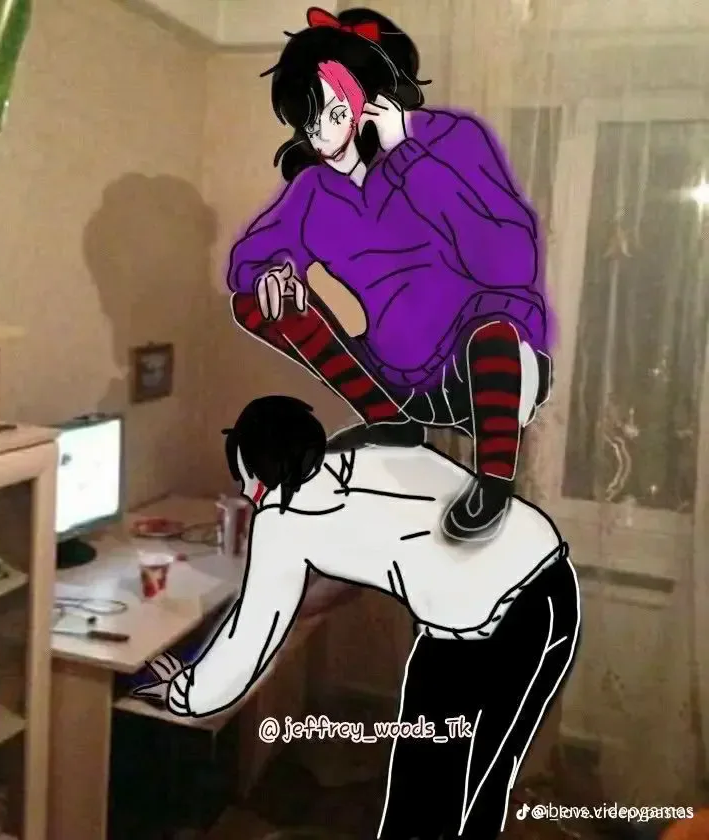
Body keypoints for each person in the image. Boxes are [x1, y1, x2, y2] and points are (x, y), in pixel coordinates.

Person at [134, 396, 581, 840]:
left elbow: (249, 640)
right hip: (552, 587)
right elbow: (348, 577)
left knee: (423, 785)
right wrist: (289, 601)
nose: (248, 495)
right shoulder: (365, 456)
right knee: (487, 768)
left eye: (248, 479)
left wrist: (182, 692)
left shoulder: (286, 518)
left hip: (483, 622)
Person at [226, 6, 554, 542]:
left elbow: (509, 261)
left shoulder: (451, 139)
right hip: (394, 375)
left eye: (332, 113)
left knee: (494, 328)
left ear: (372, 100)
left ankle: (494, 481)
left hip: (485, 368)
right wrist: (273, 271)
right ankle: (390, 421)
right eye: (308, 122)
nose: (320, 136)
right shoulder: (313, 189)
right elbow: (248, 259)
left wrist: (408, 153)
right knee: (255, 302)